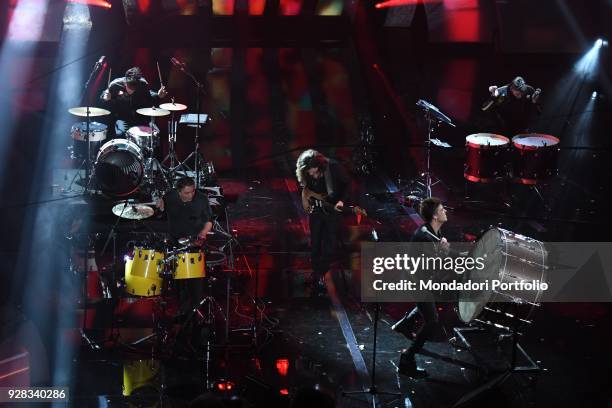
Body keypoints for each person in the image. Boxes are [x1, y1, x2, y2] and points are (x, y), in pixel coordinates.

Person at [392, 197, 450, 378]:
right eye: (442, 210)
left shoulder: (434, 232)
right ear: (434, 215)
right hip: (417, 282)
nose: (445, 212)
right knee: (432, 320)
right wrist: (442, 253)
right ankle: (407, 358)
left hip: (423, 280)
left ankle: (405, 324)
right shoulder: (426, 237)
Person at [157, 177, 213, 317]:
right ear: (179, 192)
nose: (191, 195)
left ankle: (197, 312)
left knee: (196, 283)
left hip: (195, 243)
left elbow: (209, 221)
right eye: (187, 192)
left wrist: (203, 233)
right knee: (178, 282)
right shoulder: (170, 197)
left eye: (192, 191)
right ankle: (181, 311)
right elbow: (160, 211)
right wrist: (160, 205)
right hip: (175, 243)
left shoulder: (201, 199)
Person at [295, 149, 350, 295]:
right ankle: (316, 273)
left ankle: (322, 273)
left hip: (332, 209)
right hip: (316, 210)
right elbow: (305, 189)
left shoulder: (334, 168)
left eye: (314, 172)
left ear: (320, 167)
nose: (312, 175)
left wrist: (341, 201)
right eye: (309, 173)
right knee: (315, 242)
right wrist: (306, 197)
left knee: (329, 244)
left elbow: (346, 186)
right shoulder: (307, 173)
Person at [100, 66, 168, 138]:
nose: (131, 91)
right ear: (125, 82)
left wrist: (158, 95)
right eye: (129, 88)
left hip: (139, 119)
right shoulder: (115, 85)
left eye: (134, 89)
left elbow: (150, 98)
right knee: (120, 133)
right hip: (121, 118)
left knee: (152, 135)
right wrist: (105, 98)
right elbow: (103, 98)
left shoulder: (143, 84)